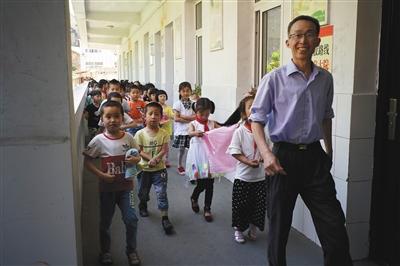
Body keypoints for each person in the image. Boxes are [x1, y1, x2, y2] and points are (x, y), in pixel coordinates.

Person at [250, 15, 353, 266]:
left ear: (317, 41)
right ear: (288, 42)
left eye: (308, 34)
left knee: (334, 224)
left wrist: (328, 152)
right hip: (282, 158)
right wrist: (267, 154)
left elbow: (326, 116)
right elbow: (256, 120)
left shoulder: (325, 79)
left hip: (315, 158)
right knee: (279, 226)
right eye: (297, 35)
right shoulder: (273, 79)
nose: (302, 40)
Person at [83, 100, 142, 266]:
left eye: (117, 116)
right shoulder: (98, 141)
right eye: (108, 116)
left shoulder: (129, 138)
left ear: (122, 118)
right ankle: (105, 252)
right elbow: (87, 162)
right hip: (106, 191)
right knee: (105, 223)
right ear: (102, 119)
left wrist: (136, 159)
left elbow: (137, 156)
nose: (113, 120)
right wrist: (101, 175)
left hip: (127, 189)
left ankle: (131, 250)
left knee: (131, 220)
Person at [227, 94, 267, 244]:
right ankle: (238, 229)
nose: (255, 108)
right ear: (244, 113)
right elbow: (235, 151)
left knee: (257, 205)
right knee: (240, 206)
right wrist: (248, 162)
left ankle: (253, 227)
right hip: (243, 177)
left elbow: (267, 149)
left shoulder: (264, 130)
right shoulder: (240, 131)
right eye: (251, 107)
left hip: (260, 178)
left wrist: (264, 157)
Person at [134, 102, 174, 235]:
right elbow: (138, 150)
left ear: (161, 117)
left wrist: (157, 158)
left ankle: (165, 217)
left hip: (159, 169)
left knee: (161, 192)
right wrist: (149, 159)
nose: (153, 117)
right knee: (142, 192)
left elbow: (165, 149)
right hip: (144, 170)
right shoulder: (139, 134)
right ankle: (143, 204)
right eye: (150, 114)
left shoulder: (163, 133)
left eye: (157, 114)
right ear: (144, 116)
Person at [186, 98, 219, 222]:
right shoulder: (193, 123)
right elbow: (189, 133)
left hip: (210, 157)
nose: (205, 117)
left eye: (207, 114)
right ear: (196, 111)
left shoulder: (212, 123)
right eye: (201, 114)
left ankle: (207, 208)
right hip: (198, 157)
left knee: (210, 183)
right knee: (201, 183)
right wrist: (195, 133)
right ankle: (194, 197)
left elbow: (222, 130)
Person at [172, 82, 195, 175]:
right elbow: (176, 119)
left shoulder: (194, 104)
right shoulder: (177, 104)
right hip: (181, 131)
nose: (186, 93)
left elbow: (196, 117)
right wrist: (189, 119)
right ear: (179, 92)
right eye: (183, 91)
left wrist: (182, 116)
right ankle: (179, 165)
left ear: (191, 91)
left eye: (188, 91)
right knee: (181, 150)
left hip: (191, 131)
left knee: (192, 150)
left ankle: (191, 167)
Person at [156, 90, 174, 167]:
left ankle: (166, 160)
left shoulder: (168, 108)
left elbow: (173, 116)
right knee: (158, 145)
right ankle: (157, 159)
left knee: (166, 146)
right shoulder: (156, 107)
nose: (163, 97)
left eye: (164, 96)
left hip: (167, 130)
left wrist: (171, 116)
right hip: (157, 129)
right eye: (161, 96)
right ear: (157, 97)